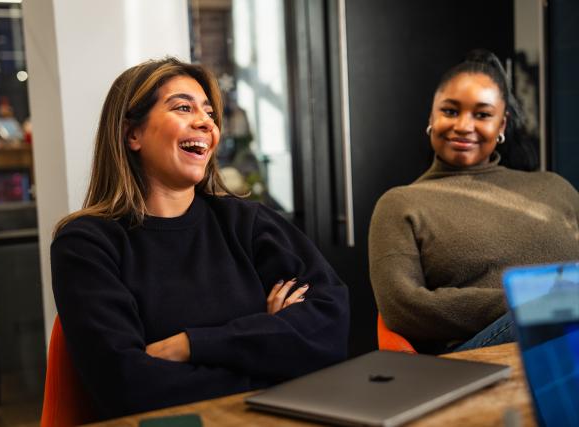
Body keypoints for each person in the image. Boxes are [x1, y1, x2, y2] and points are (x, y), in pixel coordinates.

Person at [50, 57, 349, 421]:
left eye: (208, 112)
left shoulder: (249, 223)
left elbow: (330, 329)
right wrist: (272, 346)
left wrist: (191, 345)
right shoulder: (86, 245)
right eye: (182, 107)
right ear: (132, 134)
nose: (205, 122)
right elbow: (128, 387)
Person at [368, 50, 579, 355]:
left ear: (502, 126)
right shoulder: (401, 204)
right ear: (431, 117)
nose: (464, 126)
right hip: (479, 356)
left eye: (482, 114)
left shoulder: (553, 187)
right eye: (450, 111)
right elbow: (403, 307)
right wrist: (528, 299)